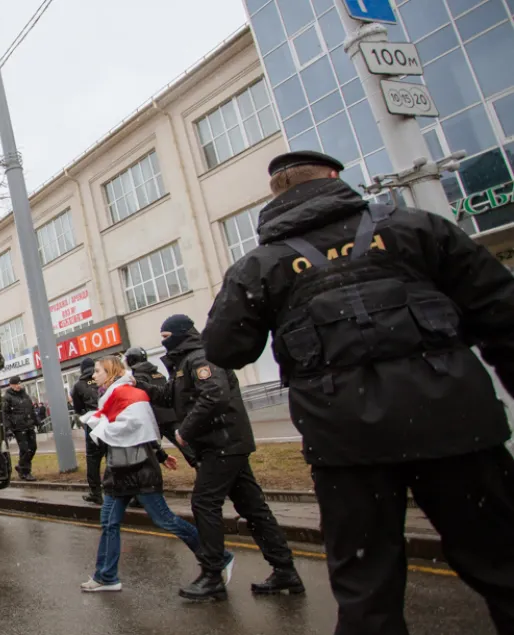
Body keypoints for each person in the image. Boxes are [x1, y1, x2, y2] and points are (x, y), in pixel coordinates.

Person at [202, 150, 514, 634]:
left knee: (367, 591)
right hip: (457, 428)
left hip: (347, 447)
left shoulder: (261, 266)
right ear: (333, 178)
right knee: (502, 562)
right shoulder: (416, 228)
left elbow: (224, 348)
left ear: (277, 196)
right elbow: (501, 311)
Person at [140, 314, 301, 601]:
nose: (164, 343)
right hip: (224, 443)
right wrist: (140, 386)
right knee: (253, 509)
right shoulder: (184, 363)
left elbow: (215, 395)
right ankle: (285, 570)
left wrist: (185, 431)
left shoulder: (201, 358)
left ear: (180, 334)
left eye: (166, 337)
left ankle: (213, 573)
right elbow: (169, 396)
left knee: (205, 503)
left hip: (223, 443)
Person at [80, 355, 226, 593]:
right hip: (119, 471)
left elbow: (139, 428)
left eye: (97, 371)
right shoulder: (110, 394)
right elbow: (135, 430)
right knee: (108, 523)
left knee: (165, 520)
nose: (93, 376)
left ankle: (218, 557)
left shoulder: (126, 392)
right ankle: (106, 576)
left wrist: (99, 425)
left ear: (110, 372)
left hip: (138, 470)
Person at [125, 346, 196, 467]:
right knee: (185, 446)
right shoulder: (157, 373)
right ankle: (199, 466)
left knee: (149, 449)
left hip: (156, 417)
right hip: (170, 414)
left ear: (131, 360)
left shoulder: (138, 377)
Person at [70, 357, 106, 504]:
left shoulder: (78, 386)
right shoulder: (104, 378)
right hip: (109, 420)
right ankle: (122, 489)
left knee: (93, 459)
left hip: (92, 423)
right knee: (113, 455)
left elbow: (78, 409)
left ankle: (96, 492)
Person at [1, 376, 41, 481]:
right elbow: (5, 414)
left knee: (33, 447)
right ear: (11, 385)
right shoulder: (7, 397)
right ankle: (25, 472)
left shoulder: (25, 395)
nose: (18, 386)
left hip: (29, 425)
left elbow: (31, 409)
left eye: (19, 383)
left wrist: (36, 420)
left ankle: (21, 467)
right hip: (18, 427)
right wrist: (8, 428)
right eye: (16, 384)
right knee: (25, 449)